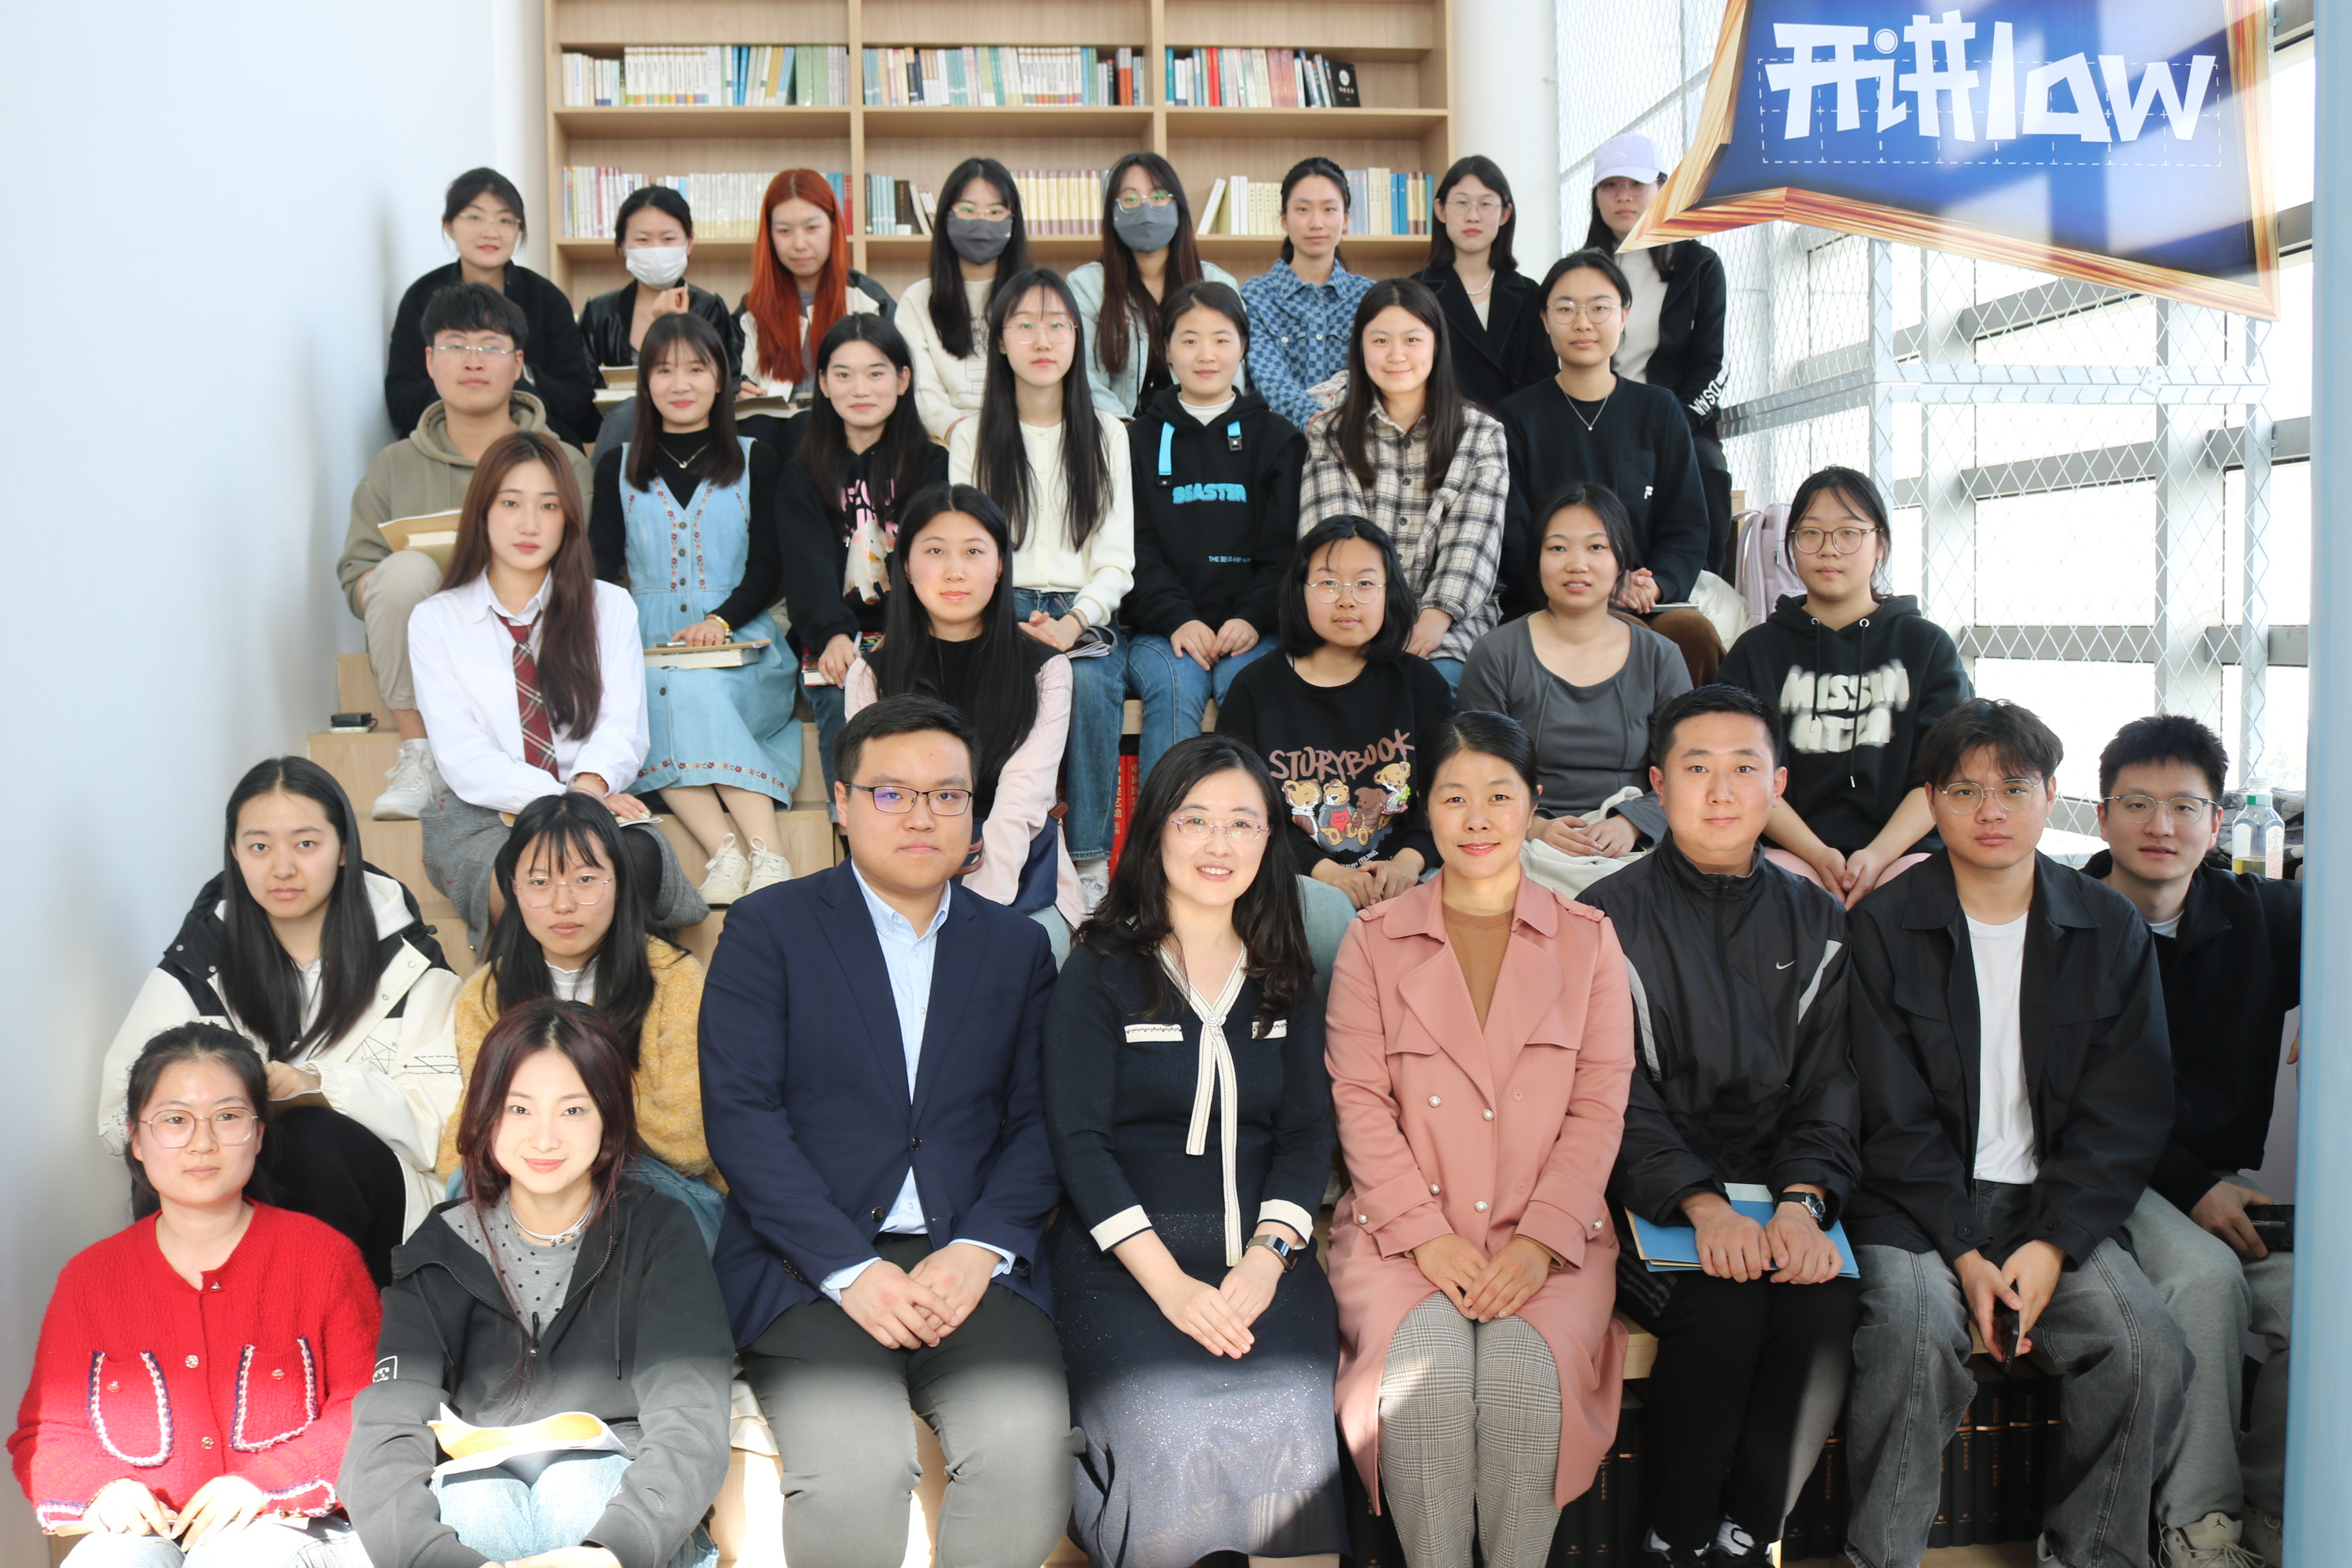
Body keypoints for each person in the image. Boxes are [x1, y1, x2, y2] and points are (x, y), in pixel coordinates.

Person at [699, 695, 1074, 1568]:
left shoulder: (1017, 947)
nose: (921, 816)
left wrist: (980, 1249)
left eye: (947, 795)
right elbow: (742, 1118)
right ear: (841, 801)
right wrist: (849, 1268)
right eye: (892, 793)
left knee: (1027, 1457)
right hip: (805, 1263)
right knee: (855, 1474)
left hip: (967, 1261)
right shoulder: (767, 929)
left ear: (974, 810)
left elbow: (1040, 1122)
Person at [1840, 698, 2190, 1568]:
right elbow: (1889, 1116)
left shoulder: (2107, 927)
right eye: (1965, 791)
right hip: (1914, 1209)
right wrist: (1965, 1254)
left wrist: (2054, 1243)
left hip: (2052, 1206)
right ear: (1931, 800)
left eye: (2014, 788)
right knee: (1911, 1335)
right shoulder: (1883, 925)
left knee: (2145, 1346)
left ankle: (2092, 1556)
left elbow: (2125, 1113)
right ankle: (1879, 1558)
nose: (1990, 811)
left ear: (2051, 796)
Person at [1324, 710, 1635, 1568]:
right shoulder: (1373, 941)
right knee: (1422, 1385)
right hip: (1401, 1237)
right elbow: (1359, 1101)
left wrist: (1539, 1243)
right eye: (1454, 796)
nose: (1478, 818)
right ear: (1425, 806)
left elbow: (1600, 1106)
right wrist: (1425, 1238)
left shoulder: (1589, 940)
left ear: (1533, 803)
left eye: (1500, 795)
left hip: (1551, 1240)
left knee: (1523, 1383)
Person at [1043, 733, 1346, 1568]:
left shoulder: (1286, 972)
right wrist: (1171, 1286)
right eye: (1196, 819)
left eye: (1242, 823)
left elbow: (1306, 1136)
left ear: (1269, 840)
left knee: (1293, 1409)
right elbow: (1079, 1143)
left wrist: (1267, 1261)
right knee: (1168, 1419)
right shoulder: (1099, 970)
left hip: (1262, 1265)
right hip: (1125, 1270)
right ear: (1156, 832)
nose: (1220, 843)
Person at [1577, 685, 1860, 1568]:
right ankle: (1675, 1536)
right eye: (1698, 768)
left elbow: (1832, 1085)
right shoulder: (1604, 918)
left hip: (1781, 1192)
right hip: (1649, 1202)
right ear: (1659, 786)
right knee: (1726, 1311)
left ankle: (1750, 1537)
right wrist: (1702, 1206)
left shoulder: (1818, 918)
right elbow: (1612, 1094)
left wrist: (1803, 1205)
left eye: (1745, 768)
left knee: (1823, 1309)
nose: (1723, 790)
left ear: (1778, 785)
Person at [342, 1000, 732, 1568]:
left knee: (577, 1492)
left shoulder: (658, 1230)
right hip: (481, 1492)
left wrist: (610, 1553)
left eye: (572, 1110)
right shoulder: (442, 1244)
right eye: (519, 1109)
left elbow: (690, 1416)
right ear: (486, 1115)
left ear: (608, 1117)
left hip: (622, 1504)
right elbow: (387, 1428)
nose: (544, 1138)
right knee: (478, 1503)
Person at [15, 1026, 382, 1565]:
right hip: (145, 1534)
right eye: (175, 1119)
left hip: (289, 1527)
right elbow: (48, 1433)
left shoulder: (324, 1258)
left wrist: (265, 1483)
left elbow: (368, 1408)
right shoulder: (90, 1279)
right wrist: (104, 1489)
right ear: (135, 1138)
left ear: (259, 1134)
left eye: (228, 1116)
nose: (202, 1142)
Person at [97, 758, 460, 1283]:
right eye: (260, 847)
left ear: (343, 849)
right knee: (184, 1151)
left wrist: (322, 1088)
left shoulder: (412, 968)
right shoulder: (196, 965)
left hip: (376, 1216)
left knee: (310, 1138)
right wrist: (212, 1111)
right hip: (230, 1199)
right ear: (234, 853)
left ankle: (316, 1318)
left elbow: (445, 1126)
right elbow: (119, 1122)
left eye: (306, 844)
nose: (282, 868)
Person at [2087, 715, 2297, 1568]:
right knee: (2207, 1283)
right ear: (2102, 816)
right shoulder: (2059, 920)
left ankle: (2275, 1509)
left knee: (2317, 1295)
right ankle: (2200, 1527)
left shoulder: (2260, 914)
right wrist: (2193, 1185)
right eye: (2137, 803)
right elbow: (2075, 1104)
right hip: (2098, 1179)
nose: (2161, 825)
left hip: (2209, 1181)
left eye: (2185, 806)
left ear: (2218, 823)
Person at [408, 429, 707, 951]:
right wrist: (566, 802)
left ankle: (625, 994)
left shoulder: (609, 606)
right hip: (486, 811)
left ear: (568, 517)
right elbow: (463, 756)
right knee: (532, 880)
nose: (530, 524)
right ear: (481, 511)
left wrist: (586, 794)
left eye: (548, 506)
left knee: (630, 861)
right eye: (511, 503)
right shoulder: (436, 620)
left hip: (593, 796)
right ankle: (535, 1000)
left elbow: (622, 727)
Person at [344, 281, 597, 820]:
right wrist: (428, 586)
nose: (473, 360)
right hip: (435, 640)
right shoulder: (392, 466)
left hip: (531, 637)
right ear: (430, 362)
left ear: (518, 363)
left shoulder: (563, 462)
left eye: (491, 346)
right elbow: (358, 580)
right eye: (456, 345)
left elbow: (580, 564)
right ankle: (419, 751)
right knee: (401, 573)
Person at [437, 793, 725, 1247]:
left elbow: (686, 1143)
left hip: (650, 1178)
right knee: (465, 1189)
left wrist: (565, 1121)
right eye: (539, 882)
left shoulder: (674, 979)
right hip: (530, 1171)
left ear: (619, 881)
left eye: (586, 879)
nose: (563, 904)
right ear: (513, 888)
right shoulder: (487, 992)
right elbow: (471, 1132)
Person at [590, 311, 801, 905]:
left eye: (696, 368)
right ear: (645, 383)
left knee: (694, 688)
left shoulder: (758, 459)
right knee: (651, 691)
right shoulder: (616, 467)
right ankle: (727, 854)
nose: (680, 383)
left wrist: (719, 620)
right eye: (663, 370)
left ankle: (769, 855)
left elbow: (770, 565)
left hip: (740, 634)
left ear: (721, 379)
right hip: (646, 639)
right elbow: (599, 564)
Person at [948, 268, 1136, 896]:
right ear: (1000, 342)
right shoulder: (972, 436)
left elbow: (1116, 560)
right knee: (983, 679)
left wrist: (1074, 621)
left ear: (1077, 337)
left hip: (1085, 611)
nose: (1042, 339)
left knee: (1089, 681)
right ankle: (976, 851)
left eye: (1058, 324)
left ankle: (1089, 866)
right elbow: (967, 550)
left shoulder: (1107, 434)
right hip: (996, 606)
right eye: (1024, 325)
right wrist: (1003, 618)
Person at [1717, 466, 1971, 906]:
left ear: (1880, 544)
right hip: (1791, 852)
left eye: (1849, 533)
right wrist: (1817, 856)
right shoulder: (1756, 651)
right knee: (1778, 891)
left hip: (1903, 851)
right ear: (1791, 545)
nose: (1828, 549)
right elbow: (1744, 771)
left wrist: (1878, 855)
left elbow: (1943, 774)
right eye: (1810, 533)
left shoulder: (1926, 646)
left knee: (1918, 893)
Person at [846, 485, 1088, 939]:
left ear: (999, 566)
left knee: (1032, 953)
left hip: (1017, 875)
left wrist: (977, 908)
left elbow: (1025, 796)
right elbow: (879, 798)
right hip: (902, 870)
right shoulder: (870, 675)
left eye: (974, 552)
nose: (955, 571)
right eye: (935, 551)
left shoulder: (1046, 669)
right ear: (906, 567)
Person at [1217, 517, 1453, 925]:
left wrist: (1409, 861)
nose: (1347, 600)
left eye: (1365, 584)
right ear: (1300, 590)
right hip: (1297, 877)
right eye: (1328, 583)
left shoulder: (1421, 684)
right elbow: (1244, 813)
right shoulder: (1255, 689)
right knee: (1326, 918)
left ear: (1389, 592)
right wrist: (1326, 873)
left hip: (1410, 870)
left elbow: (1448, 794)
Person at [1497, 249, 1721, 680]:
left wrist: (1656, 583)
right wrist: (1595, 586)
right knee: (1632, 639)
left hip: (1643, 599)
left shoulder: (1659, 410)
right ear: (1545, 320)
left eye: (1599, 308)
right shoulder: (1516, 417)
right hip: (1548, 599)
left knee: (1692, 633)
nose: (1583, 323)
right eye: (1566, 309)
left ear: (1624, 316)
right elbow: (1513, 534)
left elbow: (1687, 524)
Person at [1123, 280, 1302, 781]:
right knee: (1176, 683)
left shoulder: (1278, 439)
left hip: (1256, 630)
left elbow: (1286, 551)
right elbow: (1135, 547)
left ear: (1243, 346)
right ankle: (1163, 825)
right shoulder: (1136, 440)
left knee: (1248, 681)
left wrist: (1251, 616)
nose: (1206, 354)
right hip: (1163, 631)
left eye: (1221, 339)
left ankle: (1256, 820)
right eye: (1189, 339)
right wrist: (1178, 619)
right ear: (1166, 349)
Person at [1460, 485, 1691, 865]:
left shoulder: (1659, 657)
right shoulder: (1496, 654)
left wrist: (1632, 824)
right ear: (1537, 560)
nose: (1577, 564)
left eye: (1596, 547)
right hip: (1521, 842)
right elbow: (1475, 772)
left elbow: (1685, 771)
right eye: (1558, 548)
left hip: (1634, 846)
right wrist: (1534, 827)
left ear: (1621, 560)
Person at [1297, 277, 1509, 692]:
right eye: (1380, 341)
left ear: (1436, 345)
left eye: (1412, 339)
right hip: (1350, 615)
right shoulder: (1330, 434)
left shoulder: (1482, 434)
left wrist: (1432, 621)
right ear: (1360, 348)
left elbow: (1473, 544)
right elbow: (1331, 544)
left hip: (1450, 622)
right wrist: (1368, 625)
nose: (1396, 355)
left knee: (1433, 685)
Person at [778, 313, 952, 798]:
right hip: (835, 635)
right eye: (843, 374)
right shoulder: (803, 472)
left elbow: (929, 559)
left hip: (916, 626)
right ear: (823, 384)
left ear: (902, 380)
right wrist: (833, 635)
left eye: (876, 373)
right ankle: (853, 828)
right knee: (842, 695)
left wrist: (905, 633)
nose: (860, 389)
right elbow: (807, 566)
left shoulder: (931, 465)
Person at [1582, 134, 1732, 576]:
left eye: (1637, 184)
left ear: (1663, 188)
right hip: (1598, 418)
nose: (1623, 196)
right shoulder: (1580, 271)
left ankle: (1700, 583)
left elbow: (1712, 364)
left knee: (1705, 465)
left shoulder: (1700, 266)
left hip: (1680, 421)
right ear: (1596, 196)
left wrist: (1676, 425)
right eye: (1611, 185)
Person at [386, 167, 598, 447]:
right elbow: (400, 403)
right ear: (449, 225)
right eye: (475, 218)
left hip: (533, 445)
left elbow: (577, 405)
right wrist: (459, 386)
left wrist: (518, 375)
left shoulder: (546, 298)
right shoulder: (422, 297)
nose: (491, 232)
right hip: (443, 445)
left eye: (505, 221)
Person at [1067, 153, 1242, 419]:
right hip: (1120, 430)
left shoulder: (1217, 283)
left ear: (1178, 207)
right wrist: (1124, 431)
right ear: (1112, 214)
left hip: (1202, 427)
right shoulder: (1086, 285)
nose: (1145, 209)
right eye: (1130, 199)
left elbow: (1231, 375)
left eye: (1158, 197)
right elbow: (1085, 377)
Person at [579, 185, 747, 453]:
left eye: (668, 239)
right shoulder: (600, 312)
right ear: (622, 246)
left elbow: (727, 386)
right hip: (620, 440)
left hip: (698, 440)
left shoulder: (710, 308)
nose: (656, 250)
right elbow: (581, 399)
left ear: (689, 243)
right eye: (642, 240)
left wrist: (676, 327)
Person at [736, 168, 895, 445]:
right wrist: (738, 391)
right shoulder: (752, 311)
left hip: (851, 435)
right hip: (772, 438)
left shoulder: (869, 300)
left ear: (833, 227)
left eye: (812, 228)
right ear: (769, 235)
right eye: (784, 231)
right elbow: (729, 376)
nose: (800, 244)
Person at [899, 157, 1036, 442]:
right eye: (968, 210)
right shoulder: (917, 299)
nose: (981, 222)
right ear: (945, 219)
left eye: (995, 212)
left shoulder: (1036, 298)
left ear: (1014, 221)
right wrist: (954, 430)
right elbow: (920, 387)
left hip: (1023, 436)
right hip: (943, 440)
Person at [1409, 155, 1555, 413]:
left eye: (1486, 204)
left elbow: (1542, 382)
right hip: (1441, 430)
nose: (1473, 216)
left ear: (1505, 214)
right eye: (1461, 203)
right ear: (1441, 210)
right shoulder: (1416, 292)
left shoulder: (1530, 294)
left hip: (1515, 432)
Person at [1241, 157, 1374, 431]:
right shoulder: (1255, 296)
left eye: (1329, 209)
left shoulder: (1369, 297)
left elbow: (1373, 376)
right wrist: (1317, 422)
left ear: (1346, 220)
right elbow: (1269, 378)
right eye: (1303, 209)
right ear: (1284, 220)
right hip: (1275, 441)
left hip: (1355, 437)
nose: (1316, 223)